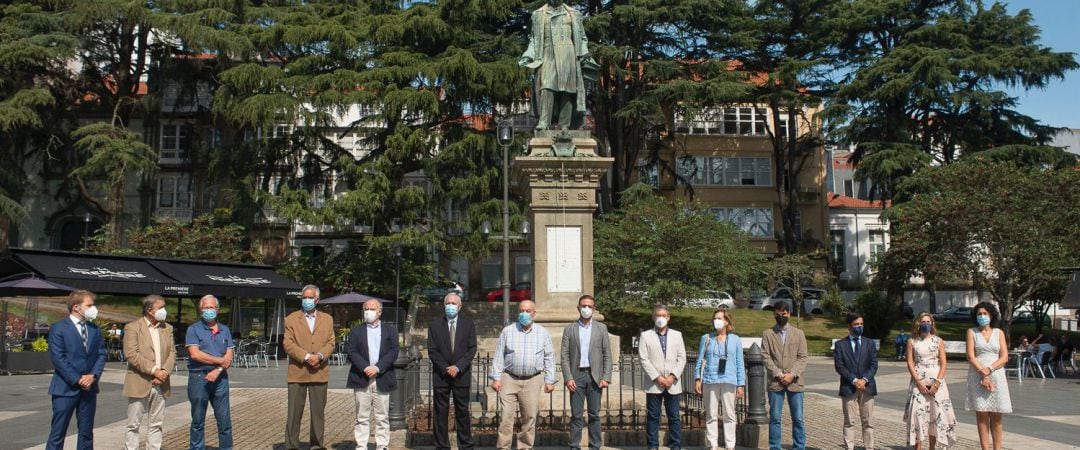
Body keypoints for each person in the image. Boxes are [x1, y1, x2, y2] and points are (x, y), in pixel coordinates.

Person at [490, 300, 556, 450]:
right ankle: (503, 447)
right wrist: (496, 378)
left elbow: (549, 357)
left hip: (533, 380)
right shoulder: (508, 331)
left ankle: (525, 447)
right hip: (509, 378)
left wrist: (550, 380)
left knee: (529, 417)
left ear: (534, 313)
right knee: (506, 416)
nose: (524, 314)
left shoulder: (543, 332)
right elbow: (499, 355)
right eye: (521, 311)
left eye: (528, 311)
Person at [519, 0, 594, 130]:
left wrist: (584, 53)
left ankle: (564, 125)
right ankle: (544, 123)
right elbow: (534, 39)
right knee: (546, 86)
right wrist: (528, 54)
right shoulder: (538, 14)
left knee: (568, 90)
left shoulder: (574, 14)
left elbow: (582, 38)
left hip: (569, 54)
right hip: (548, 53)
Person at [46, 289, 106, 450]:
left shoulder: (94, 329)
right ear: (76, 307)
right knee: (58, 432)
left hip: (89, 389)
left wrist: (93, 376)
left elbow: (101, 354)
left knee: (86, 432)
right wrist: (78, 379)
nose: (93, 308)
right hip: (65, 388)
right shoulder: (59, 328)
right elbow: (58, 358)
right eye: (89, 305)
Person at [282, 285, 335, 450]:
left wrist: (319, 356)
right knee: (294, 413)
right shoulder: (290, 319)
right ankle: (291, 445)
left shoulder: (327, 319)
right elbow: (287, 344)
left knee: (318, 413)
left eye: (310, 298)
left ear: (317, 300)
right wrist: (306, 357)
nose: (306, 300)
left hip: (319, 371)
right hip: (297, 372)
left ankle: (317, 444)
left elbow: (331, 342)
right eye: (304, 297)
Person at [122, 294, 176, 450]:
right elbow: (132, 354)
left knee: (157, 423)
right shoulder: (133, 327)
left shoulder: (167, 328)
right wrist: (154, 371)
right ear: (149, 310)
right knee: (133, 424)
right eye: (161, 307)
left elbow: (172, 352)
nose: (164, 310)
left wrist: (164, 371)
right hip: (140, 381)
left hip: (161, 383)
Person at [560, 295, 612, 450]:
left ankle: (594, 446)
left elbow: (607, 354)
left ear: (594, 308)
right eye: (584, 305)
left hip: (595, 376)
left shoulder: (601, 328)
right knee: (576, 415)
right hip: (577, 376)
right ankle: (574, 446)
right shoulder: (569, 329)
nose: (586, 309)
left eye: (590, 306)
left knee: (594, 414)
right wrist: (568, 378)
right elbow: (564, 355)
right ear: (578, 307)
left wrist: (606, 377)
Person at [347, 299, 399, 450]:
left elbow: (394, 351)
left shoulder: (390, 330)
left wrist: (377, 367)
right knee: (361, 416)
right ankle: (361, 445)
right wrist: (365, 367)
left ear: (380, 312)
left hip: (382, 377)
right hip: (361, 377)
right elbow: (351, 351)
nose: (368, 311)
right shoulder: (356, 330)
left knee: (382, 416)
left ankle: (382, 445)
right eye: (366, 308)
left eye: (372, 308)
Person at [427, 292, 478, 450]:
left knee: (462, 412)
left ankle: (465, 445)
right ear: (444, 305)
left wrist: (458, 367)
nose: (450, 306)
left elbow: (471, 349)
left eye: (453, 303)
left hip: (461, 375)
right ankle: (442, 446)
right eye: (448, 303)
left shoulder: (468, 324)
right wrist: (445, 368)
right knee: (440, 412)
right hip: (441, 375)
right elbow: (432, 350)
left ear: (460, 306)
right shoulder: (435, 325)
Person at [186, 294, 235, 450]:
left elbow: (229, 356)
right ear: (201, 309)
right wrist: (220, 361)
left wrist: (218, 369)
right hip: (199, 377)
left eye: (212, 307)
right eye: (206, 307)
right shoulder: (193, 329)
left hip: (220, 378)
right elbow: (195, 354)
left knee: (224, 421)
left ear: (218, 309)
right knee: (198, 420)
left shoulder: (225, 330)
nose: (209, 310)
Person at [904, 313, 957, 450]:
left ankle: (932, 447)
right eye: (923, 321)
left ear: (932, 324)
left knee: (936, 414)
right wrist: (918, 381)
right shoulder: (912, 341)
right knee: (917, 414)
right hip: (918, 381)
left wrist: (937, 382)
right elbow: (910, 362)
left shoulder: (938, 341)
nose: (926, 324)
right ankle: (918, 446)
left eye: (928, 321)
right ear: (918, 323)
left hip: (937, 382)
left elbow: (944, 363)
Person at [694, 308, 744, 450]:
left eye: (720, 318)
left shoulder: (735, 340)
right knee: (711, 414)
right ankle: (712, 444)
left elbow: (740, 362)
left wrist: (741, 384)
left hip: (729, 380)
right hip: (710, 379)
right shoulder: (707, 338)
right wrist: (697, 378)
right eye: (715, 318)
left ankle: (730, 444)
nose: (717, 321)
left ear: (727, 322)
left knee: (729, 414)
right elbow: (700, 359)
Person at [639, 304, 686, 450]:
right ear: (653, 317)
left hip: (673, 384)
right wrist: (657, 377)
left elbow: (682, 358)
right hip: (654, 384)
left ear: (668, 317)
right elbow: (643, 359)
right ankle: (653, 446)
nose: (661, 318)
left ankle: (675, 446)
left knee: (674, 417)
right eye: (658, 315)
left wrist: (672, 376)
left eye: (663, 316)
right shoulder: (646, 335)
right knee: (653, 417)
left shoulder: (677, 335)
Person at [761, 301, 807, 450]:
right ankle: (775, 446)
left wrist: (792, 374)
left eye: (784, 314)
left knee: (798, 418)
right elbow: (765, 356)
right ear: (774, 314)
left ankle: (799, 446)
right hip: (776, 382)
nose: (781, 316)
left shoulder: (799, 334)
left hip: (795, 382)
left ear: (789, 314)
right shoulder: (768, 334)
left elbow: (803, 357)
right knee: (775, 418)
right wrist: (779, 374)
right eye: (778, 314)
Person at [966, 302, 1012, 450]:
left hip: (996, 373)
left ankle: (997, 448)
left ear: (991, 315)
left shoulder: (999, 333)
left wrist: (989, 369)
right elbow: (970, 356)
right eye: (979, 314)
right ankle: (985, 448)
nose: (982, 316)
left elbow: (1004, 357)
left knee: (997, 415)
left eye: (985, 313)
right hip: (977, 374)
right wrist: (982, 372)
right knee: (982, 414)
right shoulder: (972, 332)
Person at [833, 312, 877, 450]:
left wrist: (864, 379)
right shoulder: (840, 345)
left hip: (867, 387)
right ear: (849, 326)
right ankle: (849, 447)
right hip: (849, 387)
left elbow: (874, 364)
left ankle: (869, 447)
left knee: (868, 421)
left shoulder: (869, 343)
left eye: (861, 324)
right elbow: (839, 366)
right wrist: (854, 380)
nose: (859, 327)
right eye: (856, 324)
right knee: (849, 422)